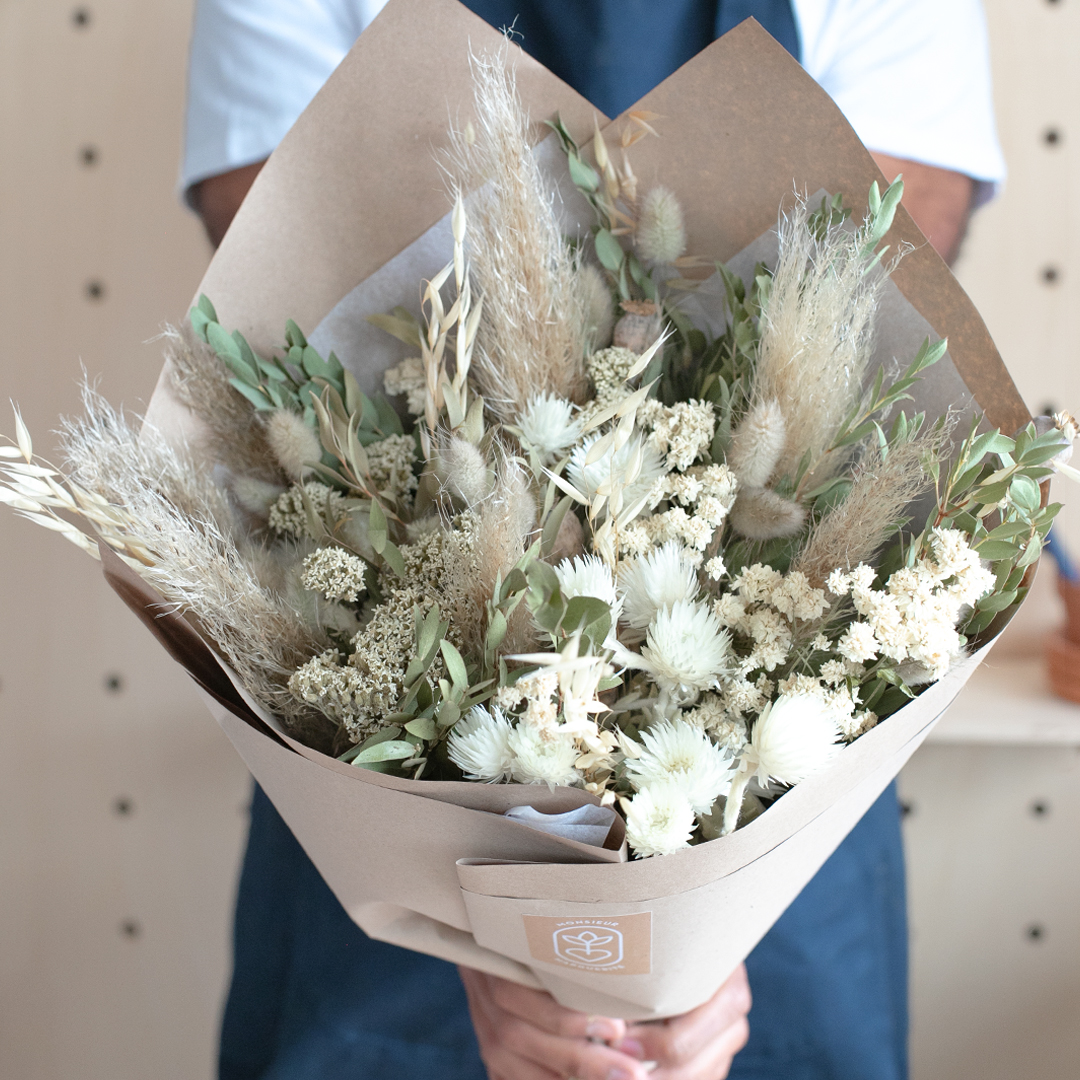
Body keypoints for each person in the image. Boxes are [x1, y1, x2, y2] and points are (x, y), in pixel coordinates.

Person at [179, 3, 1005, 1078]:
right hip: (392, 760)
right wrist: (514, 927)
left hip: (779, 774)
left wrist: (686, 918)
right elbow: (305, 301)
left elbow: (873, 292)